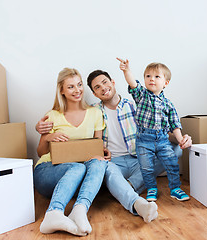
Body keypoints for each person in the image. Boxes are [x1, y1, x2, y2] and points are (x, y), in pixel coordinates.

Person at [36, 69, 192, 222]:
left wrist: (181, 139)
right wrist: (44, 133)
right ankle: (134, 199)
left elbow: (161, 134)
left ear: (113, 82)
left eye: (105, 82)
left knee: (175, 150)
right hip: (113, 163)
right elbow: (92, 144)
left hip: (139, 158)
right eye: (97, 87)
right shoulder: (94, 111)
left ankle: (128, 186)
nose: (103, 88)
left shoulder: (138, 105)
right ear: (94, 93)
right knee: (102, 166)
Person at [33, 68, 110, 237]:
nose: (77, 90)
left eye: (79, 85)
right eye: (71, 87)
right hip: (48, 171)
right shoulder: (52, 115)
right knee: (77, 168)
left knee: (98, 163)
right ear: (61, 90)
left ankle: (79, 210)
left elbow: (97, 145)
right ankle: (53, 213)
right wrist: (48, 137)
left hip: (77, 178)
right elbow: (40, 153)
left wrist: (102, 153)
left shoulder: (95, 113)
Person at [117, 58, 190, 202]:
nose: (152, 79)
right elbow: (133, 83)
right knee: (146, 167)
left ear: (165, 83)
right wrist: (126, 71)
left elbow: (175, 124)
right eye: (148, 76)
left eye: (157, 77)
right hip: (144, 140)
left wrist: (181, 139)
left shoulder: (168, 104)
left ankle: (175, 188)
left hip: (162, 139)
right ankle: (151, 188)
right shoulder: (142, 96)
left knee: (172, 163)